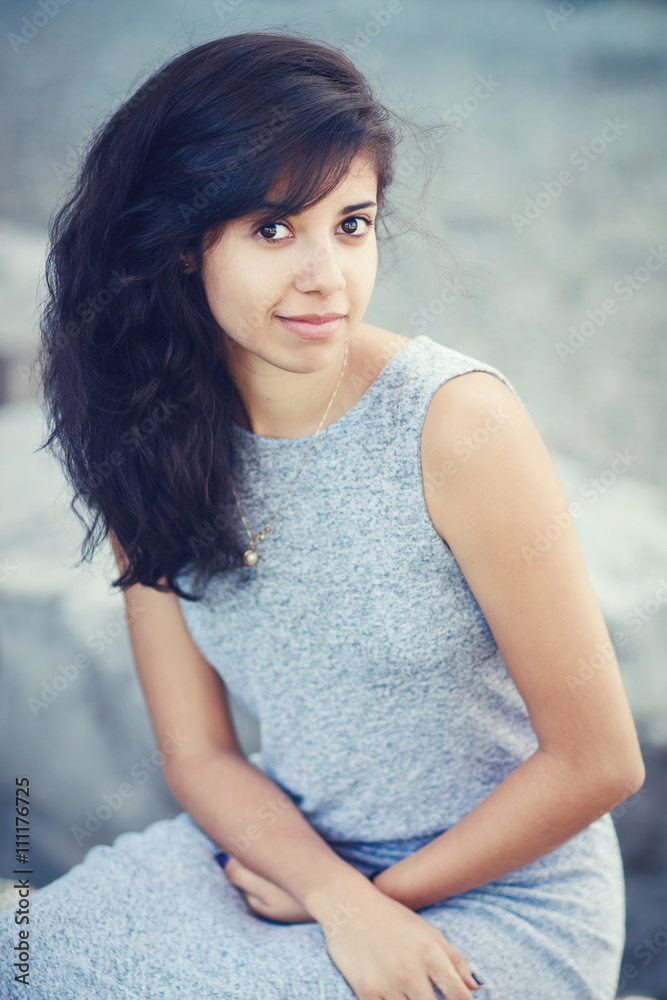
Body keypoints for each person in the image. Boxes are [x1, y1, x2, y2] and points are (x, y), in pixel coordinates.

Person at [0, 28, 645, 1000]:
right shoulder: (146, 441)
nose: (325, 276)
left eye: (351, 224)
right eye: (272, 229)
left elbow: (598, 760)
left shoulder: (456, 423)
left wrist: (366, 902)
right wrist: (333, 893)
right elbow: (201, 750)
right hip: (292, 858)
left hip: (509, 893)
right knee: (30, 959)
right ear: (181, 245)